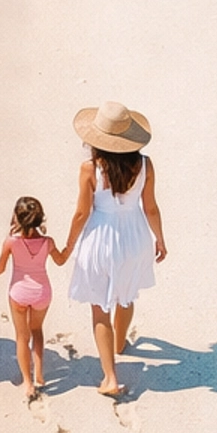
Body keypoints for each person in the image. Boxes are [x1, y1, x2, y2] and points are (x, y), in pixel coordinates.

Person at [62, 101, 166, 399]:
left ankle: (110, 377)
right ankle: (121, 342)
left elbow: (82, 213)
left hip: (101, 239)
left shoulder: (90, 169)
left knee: (100, 308)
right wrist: (159, 239)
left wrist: (69, 246)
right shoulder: (144, 164)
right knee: (126, 293)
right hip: (135, 237)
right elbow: (151, 208)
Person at [0, 195, 63, 402]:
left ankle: (27, 382)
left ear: (17, 218)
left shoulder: (11, 242)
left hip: (19, 292)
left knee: (22, 336)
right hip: (42, 292)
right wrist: (71, 245)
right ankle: (39, 374)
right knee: (37, 331)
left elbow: (0, 268)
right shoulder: (48, 242)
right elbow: (61, 260)